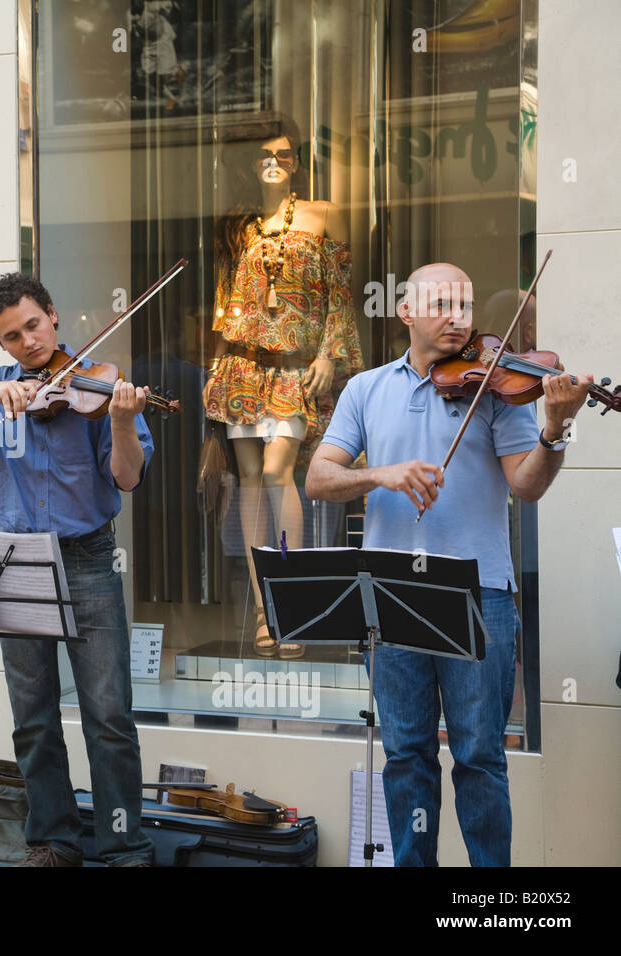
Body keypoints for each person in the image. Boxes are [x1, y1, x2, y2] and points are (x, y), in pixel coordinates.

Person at [305, 262, 590, 866]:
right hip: (391, 595)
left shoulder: (495, 388)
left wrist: (555, 429)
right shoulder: (366, 389)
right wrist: (381, 473)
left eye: (464, 304)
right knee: (406, 753)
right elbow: (318, 478)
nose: (458, 317)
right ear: (406, 311)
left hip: (479, 593)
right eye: (442, 304)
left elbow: (528, 487)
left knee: (479, 756)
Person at [0, 273, 155, 866]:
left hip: (89, 558)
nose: (28, 343)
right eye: (12, 337)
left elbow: (127, 477)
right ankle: (54, 841)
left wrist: (121, 420)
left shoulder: (99, 385)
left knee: (109, 715)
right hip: (16, 561)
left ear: (52, 314)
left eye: (33, 325)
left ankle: (124, 845)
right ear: (1, 345)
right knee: (33, 718)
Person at [203, 117, 362, 658]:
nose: (274, 160)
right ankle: (263, 610)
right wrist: (215, 368)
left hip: (295, 367)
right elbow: (228, 307)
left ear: (297, 161)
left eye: (285, 153)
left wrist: (327, 353)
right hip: (245, 368)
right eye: (265, 153)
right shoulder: (240, 228)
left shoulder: (322, 215)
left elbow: (341, 293)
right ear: (252, 164)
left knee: (277, 472)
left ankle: (290, 602)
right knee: (249, 479)